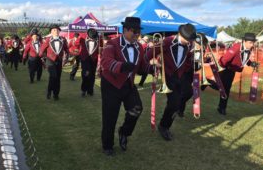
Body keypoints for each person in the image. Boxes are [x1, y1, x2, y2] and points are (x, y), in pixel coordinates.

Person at [100, 17, 151, 156]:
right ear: (126, 30)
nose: (137, 35)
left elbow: (140, 67)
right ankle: (107, 145)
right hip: (111, 84)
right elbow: (105, 61)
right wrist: (122, 66)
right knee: (110, 116)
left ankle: (124, 132)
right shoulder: (112, 43)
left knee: (136, 108)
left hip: (128, 84)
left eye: (138, 32)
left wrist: (149, 68)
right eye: (134, 31)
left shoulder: (139, 47)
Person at [146, 23, 197, 141]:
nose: (189, 41)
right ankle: (164, 126)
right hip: (167, 76)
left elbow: (186, 60)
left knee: (179, 101)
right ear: (180, 34)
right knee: (174, 103)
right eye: (187, 39)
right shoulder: (167, 41)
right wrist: (153, 63)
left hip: (180, 77)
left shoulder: (188, 45)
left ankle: (166, 123)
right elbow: (149, 54)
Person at [202, 32, 259, 115]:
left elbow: (244, 59)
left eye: (253, 42)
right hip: (225, 70)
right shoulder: (236, 48)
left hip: (231, 72)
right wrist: (221, 70)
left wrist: (251, 63)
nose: (252, 44)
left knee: (224, 90)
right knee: (223, 89)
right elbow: (224, 60)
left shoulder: (249, 49)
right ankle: (208, 84)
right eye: (250, 42)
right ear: (244, 41)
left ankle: (221, 107)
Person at [178, 33, 208, 117]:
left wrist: (201, 56)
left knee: (185, 93)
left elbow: (198, 64)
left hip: (192, 72)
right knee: (188, 92)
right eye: (200, 43)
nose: (202, 46)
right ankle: (179, 108)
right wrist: (193, 52)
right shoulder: (188, 46)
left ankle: (180, 110)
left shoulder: (201, 49)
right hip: (183, 72)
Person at [39, 25, 69, 100]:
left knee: (57, 78)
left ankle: (56, 94)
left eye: (57, 30)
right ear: (51, 32)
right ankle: (49, 91)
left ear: (59, 31)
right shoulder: (47, 40)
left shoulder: (63, 39)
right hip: (50, 60)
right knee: (54, 76)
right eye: (54, 30)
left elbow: (67, 50)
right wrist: (43, 58)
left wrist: (66, 59)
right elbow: (41, 50)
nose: (56, 31)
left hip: (59, 61)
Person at [79, 28, 100, 97]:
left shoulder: (99, 39)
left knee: (92, 75)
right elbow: (75, 45)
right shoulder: (82, 39)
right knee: (86, 74)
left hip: (94, 59)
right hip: (85, 59)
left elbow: (101, 48)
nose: (94, 39)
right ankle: (84, 90)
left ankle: (90, 90)